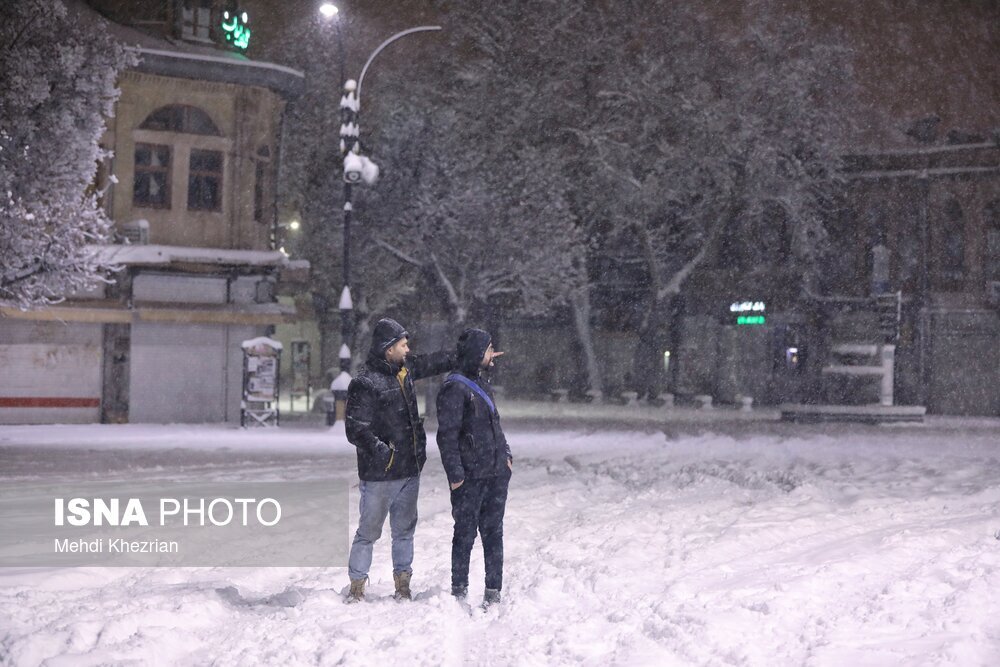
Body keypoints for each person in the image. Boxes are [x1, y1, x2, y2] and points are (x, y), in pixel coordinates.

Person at [344, 318, 455, 602]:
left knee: (404, 532)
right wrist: (384, 451)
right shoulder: (365, 382)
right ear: (388, 348)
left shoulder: (404, 371)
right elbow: (356, 429)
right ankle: (357, 587)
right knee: (368, 532)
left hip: (409, 471)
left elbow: (433, 362)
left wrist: (466, 353)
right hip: (380, 475)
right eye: (403, 345)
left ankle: (402, 585)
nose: (408, 349)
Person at [436, 328, 512, 608]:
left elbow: (495, 425)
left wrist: (506, 457)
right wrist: (456, 476)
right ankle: (459, 590)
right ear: (477, 353)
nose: (494, 355)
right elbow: (447, 436)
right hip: (469, 478)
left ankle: (493, 590)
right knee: (465, 535)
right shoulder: (454, 388)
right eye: (490, 350)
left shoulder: (481, 382)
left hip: (495, 474)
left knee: (494, 534)